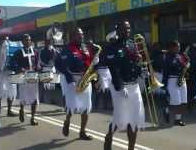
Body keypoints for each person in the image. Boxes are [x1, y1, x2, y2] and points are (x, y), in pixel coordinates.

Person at [103, 21, 145, 150]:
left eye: (128, 28)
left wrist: (141, 70)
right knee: (120, 117)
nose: (127, 30)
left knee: (134, 119)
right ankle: (109, 136)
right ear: (118, 30)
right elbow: (113, 68)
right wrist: (120, 86)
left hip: (134, 85)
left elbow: (134, 64)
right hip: (120, 86)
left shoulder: (133, 44)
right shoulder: (112, 46)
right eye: (123, 28)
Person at [55, 27, 96, 140]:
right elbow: (59, 64)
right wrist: (69, 78)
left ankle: (82, 132)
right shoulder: (67, 49)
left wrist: (95, 61)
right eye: (78, 34)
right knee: (71, 105)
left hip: (85, 79)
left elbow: (90, 61)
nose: (81, 36)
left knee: (86, 107)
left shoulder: (85, 47)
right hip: (72, 79)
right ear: (73, 36)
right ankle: (67, 121)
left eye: (82, 34)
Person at [13, 34, 39, 126]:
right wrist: (20, 68)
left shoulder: (35, 51)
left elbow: (38, 63)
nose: (28, 41)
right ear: (22, 42)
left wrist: (38, 68)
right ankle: (21, 109)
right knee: (23, 97)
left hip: (33, 76)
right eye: (26, 40)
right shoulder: (18, 52)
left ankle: (32, 118)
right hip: (23, 77)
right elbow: (13, 63)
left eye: (29, 40)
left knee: (35, 98)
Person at [162, 40, 189, 126]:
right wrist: (164, 84)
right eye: (177, 46)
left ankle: (178, 119)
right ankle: (166, 110)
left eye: (179, 46)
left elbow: (185, 65)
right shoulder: (167, 57)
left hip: (182, 79)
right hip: (172, 80)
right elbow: (166, 71)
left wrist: (186, 63)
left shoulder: (180, 56)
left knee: (184, 102)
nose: (179, 48)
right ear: (171, 48)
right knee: (176, 102)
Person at [0, 37, 18, 117]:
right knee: (1, 88)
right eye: (5, 40)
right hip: (1, 72)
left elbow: (16, 59)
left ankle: (9, 110)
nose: (6, 41)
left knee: (11, 91)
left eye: (8, 40)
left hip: (10, 71)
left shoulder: (12, 48)